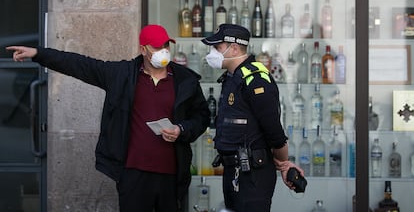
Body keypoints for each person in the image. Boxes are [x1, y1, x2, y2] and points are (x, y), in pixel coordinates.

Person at [7, 24, 210, 212]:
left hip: (172, 175)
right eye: (157, 47)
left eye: (166, 45)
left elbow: (201, 116)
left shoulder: (186, 80)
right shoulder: (122, 74)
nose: (164, 50)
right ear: (143, 50)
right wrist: (38, 53)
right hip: (133, 173)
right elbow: (80, 64)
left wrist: (181, 129)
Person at [201, 24, 304, 212]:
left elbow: (274, 131)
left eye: (217, 47)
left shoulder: (255, 78)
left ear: (234, 48)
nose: (212, 52)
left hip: (253, 175)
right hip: (234, 171)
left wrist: (283, 164)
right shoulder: (232, 78)